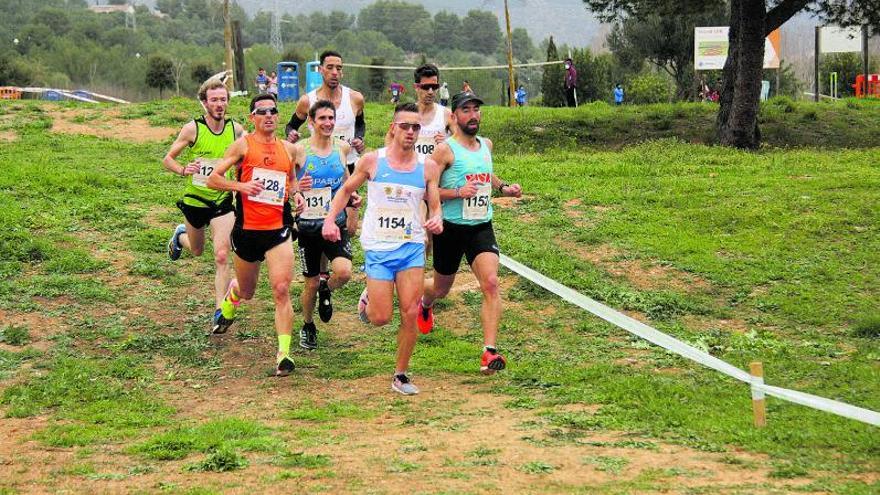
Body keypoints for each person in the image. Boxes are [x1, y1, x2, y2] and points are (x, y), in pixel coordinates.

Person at [322, 102, 443, 395]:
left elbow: (434, 203)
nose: (411, 132)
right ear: (393, 128)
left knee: (411, 311)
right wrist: (330, 219)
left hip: (411, 246)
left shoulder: (428, 168)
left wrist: (437, 219)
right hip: (378, 247)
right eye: (405, 126)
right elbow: (347, 190)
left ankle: (401, 374)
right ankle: (370, 299)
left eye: (416, 127)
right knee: (381, 318)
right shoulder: (373, 161)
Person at [417, 91, 523, 375]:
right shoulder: (445, 151)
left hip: (480, 226)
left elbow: (485, 173)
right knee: (440, 289)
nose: (473, 115)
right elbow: (428, 191)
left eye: (476, 109)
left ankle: (489, 352)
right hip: (450, 229)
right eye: (466, 110)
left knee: (490, 283)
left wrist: (504, 188)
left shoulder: (486, 145)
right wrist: (457, 192)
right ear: (454, 117)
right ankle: (424, 303)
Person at [206, 93, 306, 377]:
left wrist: (296, 195)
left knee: (281, 289)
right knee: (247, 292)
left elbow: (291, 180)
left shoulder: (288, 149)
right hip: (248, 231)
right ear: (252, 118)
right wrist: (241, 187)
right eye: (262, 112)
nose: (269, 116)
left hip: (278, 230)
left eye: (273, 111)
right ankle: (229, 302)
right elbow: (213, 178)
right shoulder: (242, 146)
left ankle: (284, 354)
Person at [164, 78, 245, 332]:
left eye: (223, 100)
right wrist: (182, 169)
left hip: (222, 201)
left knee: (222, 255)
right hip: (196, 200)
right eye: (214, 100)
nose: (219, 104)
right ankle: (181, 237)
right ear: (204, 102)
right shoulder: (193, 129)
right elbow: (168, 158)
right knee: (197, 249)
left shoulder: (237, 130)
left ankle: (220, 311)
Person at [293, 100, 357, 350]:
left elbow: (346, 182)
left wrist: (353, 199)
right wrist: (297, 189)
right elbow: (288, 183)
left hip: (334, 223)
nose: (328, 123)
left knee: (343, 272)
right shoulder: (299, 150)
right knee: (308, 283)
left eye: (331, 118)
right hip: (308, 226)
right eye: (322, 119)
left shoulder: (341, 147)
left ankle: (326, 288)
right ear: (311, 122)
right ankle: (308, 325)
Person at [285, 50, 366, 242]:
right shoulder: (307, 101)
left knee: (350, 227)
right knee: (322, 220)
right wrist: (291, 133)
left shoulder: (355, 98)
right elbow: (291, 126)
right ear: (321, 70)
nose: (334, 72)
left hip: (348, 165)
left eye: (339, 68)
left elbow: (360, 124)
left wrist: (359, 138)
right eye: (330, 67)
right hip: (318, 169)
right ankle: (323, 271)